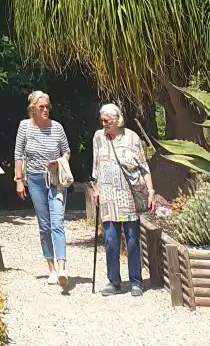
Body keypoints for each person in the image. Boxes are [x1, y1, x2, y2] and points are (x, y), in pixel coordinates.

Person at [91, 102, 155, 297]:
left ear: (117, 120)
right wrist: (96, 188)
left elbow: (144, 166)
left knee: (132, 240)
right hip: (108, 196)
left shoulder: (132, 138)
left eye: (107, 121)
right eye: (102, 120)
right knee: (110, 240)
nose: (103, 124)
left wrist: (151, 190)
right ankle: (113, 281)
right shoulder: (98, 137)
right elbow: (96, 165)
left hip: (128, 195)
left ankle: (136, 281)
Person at [14, 90, 72, 290]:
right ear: (33, 110)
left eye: (48, 106)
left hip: (55, 180)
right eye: (42, 107)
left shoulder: (57, 128)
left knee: (57, 222)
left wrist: (60, 162)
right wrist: (19, 180)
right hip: (36, 180)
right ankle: (51, 268)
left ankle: (62, 267)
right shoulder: (24, 127)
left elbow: (67, 151)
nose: (46, 110)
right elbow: (18, 154)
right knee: (44, 224)